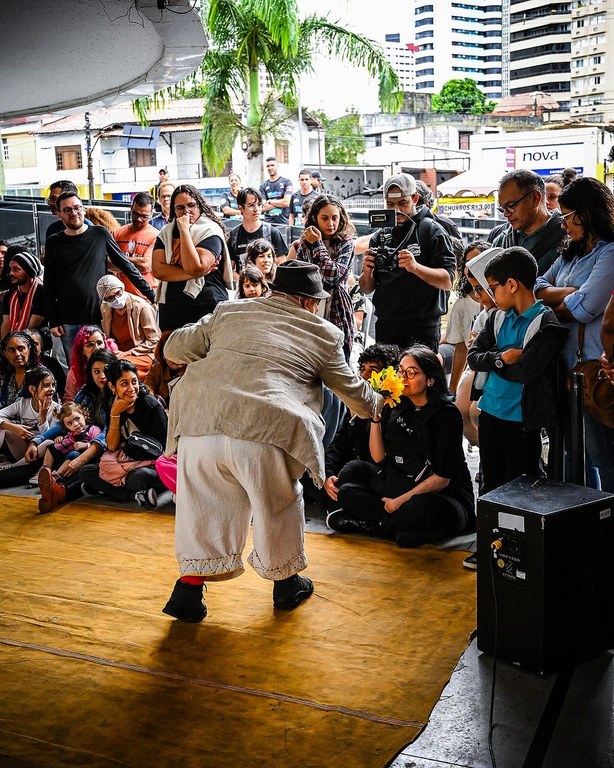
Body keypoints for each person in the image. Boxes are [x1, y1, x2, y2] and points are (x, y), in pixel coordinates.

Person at [160, 261, 383, 623]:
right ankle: (286, 583)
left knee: (202, 507)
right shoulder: (323, 333)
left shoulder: (228, 311)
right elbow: (353, 394)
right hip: (266, 428)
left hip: (202, 423)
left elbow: (175, 347)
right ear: (311, 302)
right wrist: (380, 403)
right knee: (276, 503)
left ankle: (187, 590)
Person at [327, 345, 475, 547]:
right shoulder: (396, 403)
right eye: (401, 371)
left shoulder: (446, 415)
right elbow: (378, 457)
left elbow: (441, 479)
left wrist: (398, 502)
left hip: (438, 494)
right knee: (347, 485)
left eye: (411, 373)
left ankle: (376, 525)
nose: (403, 378)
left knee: (419, 508)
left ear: (430, 380)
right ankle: (396, 526)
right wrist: (376, 418)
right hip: (400, 481)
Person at [468, 246, 567, 495]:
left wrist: (492, 361)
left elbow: (525, 372)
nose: (489, 295)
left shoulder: (547, 323)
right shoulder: (497, 317)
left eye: (492, 288)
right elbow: (473, 358)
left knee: (522, 489)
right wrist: (502, 358)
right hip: (490, 412)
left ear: (511, 284)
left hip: (523, 422)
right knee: (490, 484)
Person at [535, 176, 614, 491]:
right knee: (569, 452)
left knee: (602, 454)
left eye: (566, 215)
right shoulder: (572, 252)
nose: (563, 222)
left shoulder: (609, 252)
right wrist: (573, 292)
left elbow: (586, 308)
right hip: (562, 368)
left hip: (596, 369)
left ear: (586, 213)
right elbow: (537, 287)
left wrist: (560, 301)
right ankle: (581, 518)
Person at [44, 192, 156, 362]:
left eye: (77, 208)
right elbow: (49, 282)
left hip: (99, 317)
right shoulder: (54, 241)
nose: (74, 213)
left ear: (83, 209)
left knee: (103, 366)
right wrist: (53, 319)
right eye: (67, 210)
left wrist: (152, 295)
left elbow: (126, 266)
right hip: (67, 320)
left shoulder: (100, 234)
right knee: (75, 367)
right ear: (59, 214)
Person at [359, 173, 455, 352]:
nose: (396, 210)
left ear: (415, 199)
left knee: (419, 380)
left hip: (422, 328)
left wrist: (415, 267)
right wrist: (367, 271)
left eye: (402, 203)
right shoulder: (380, 235)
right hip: (387, 326)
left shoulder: (432, 231)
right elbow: (366, 288)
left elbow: (448, 281)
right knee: (386, 380)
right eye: (390, 204)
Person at [35, 349, 117, 514]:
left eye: (106, 370)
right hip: (81, 444)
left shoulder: (117, 393)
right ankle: (49, 483)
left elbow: (108, 433)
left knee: (86, 466)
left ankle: (58, 491)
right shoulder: (86, 392)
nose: (101, 375)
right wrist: (37, 440)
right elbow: (64, 422)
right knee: (50, 448)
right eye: (96, 371)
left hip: (106, 447)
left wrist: (83, 457)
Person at [319, 343, 401, 508]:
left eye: (373, 370)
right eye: (362, 369)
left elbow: (382, 460)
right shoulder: (357, 406)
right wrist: (327, 477)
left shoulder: (394, 411)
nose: (364, 375)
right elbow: (337, 445)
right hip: (352, 477)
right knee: (311, 475)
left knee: (352, 472)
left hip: (380, 478)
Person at [79, 359, 168, 508]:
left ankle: (111, 490)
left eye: (134, 382)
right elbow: (112, 446)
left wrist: (127, 446)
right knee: (86, 472)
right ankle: (136, 495)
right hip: (125, 463)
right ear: (112, 386)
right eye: (124, 384)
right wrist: (115, 413)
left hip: (153, 466)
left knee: (138, 477)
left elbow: (163, 450)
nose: (132, 388)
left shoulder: (150, 405)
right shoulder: (111, 405)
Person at [152, 184, 233, 333]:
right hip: (172, 310)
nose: (186, 212)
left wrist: (184, 230)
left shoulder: (210, 230)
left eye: (191, 206)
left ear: (200, 206)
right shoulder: (165, 232)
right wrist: (195, 272)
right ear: (174, 210)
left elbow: (195, 266)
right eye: (180, 208)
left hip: (206, 305)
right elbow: (158, 270)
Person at [296, 194, 356, 359]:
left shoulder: (346, 243)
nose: (331, 223)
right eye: (325, 218)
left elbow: (333, 276)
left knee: (339, 364)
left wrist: (317, 244)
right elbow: (300, 277)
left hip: (337, 310)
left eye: (334, 218)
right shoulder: (304, 244)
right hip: (310, 311)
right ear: (315, 218)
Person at [489, 169, 565, 275]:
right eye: (502, 209)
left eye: (511, 206)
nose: (506, 214)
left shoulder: (567, 235)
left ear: (535, 198)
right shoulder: (501, 241)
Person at [97, 275, 160, 380]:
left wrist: (127, 353)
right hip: (117, 354)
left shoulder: (141, 307)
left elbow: (154, 341)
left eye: (118, 293)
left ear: (122, 288)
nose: (116, 299)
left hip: (141, 354)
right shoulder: (105, 308)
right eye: (110, 298)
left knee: (121, 370)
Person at [442, 241, 484, 397]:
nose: (472, 266)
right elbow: (461, 349)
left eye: (477, 260)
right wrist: (452, 389)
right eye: (467, 263)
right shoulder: (462, 304)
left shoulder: (504, 301)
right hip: (472, 369)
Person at [27, 401, 102, 486]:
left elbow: (98, 444)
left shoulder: (93, 429)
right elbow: (67, 441)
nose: (76, 424)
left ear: (83, 415)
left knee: (73, 453)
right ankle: (45, 471)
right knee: (51, 447)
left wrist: (86, 445)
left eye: (77, 419)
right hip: (67, 458)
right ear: (66, 426)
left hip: (81, 458)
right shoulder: (72, 433)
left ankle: (56, 476)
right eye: (70, 423)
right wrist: (60, 438)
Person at [0, 366, 59, 469]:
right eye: (46, 385)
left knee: (50, 443)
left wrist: (43, 417)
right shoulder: (23, 404)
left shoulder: (57, 410)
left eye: (53, 385)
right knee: (3, 425)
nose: (52, 389)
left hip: (39, 451)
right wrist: (14, 428)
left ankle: (12, 468)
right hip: (22, 449)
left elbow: (50, 436)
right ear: (32, 389)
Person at [228, 187, 288, 275]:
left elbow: (283, 267)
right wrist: (245, 281)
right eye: (251, 205)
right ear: (241, 208)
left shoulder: (272, 232)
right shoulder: (234, 235)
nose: (256, 209)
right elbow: (229, 270)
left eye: (259, 204)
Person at [112, 192, 159, 297]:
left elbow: (145, 265)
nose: (139, 219)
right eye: (135, 214)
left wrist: (118, 260)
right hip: (120, 298)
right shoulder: (117, 233)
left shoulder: (156, 236)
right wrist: (135, 262)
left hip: (146, 298)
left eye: (144, 216)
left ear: (151, 214)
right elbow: (107, 263)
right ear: (131, 208)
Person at [64, 325, 117, 402]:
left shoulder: (115, 364)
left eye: (99, 343)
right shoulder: (74, 373)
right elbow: (69, 400)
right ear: (82, 350)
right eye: (90, 344)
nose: (97, 348)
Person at [0, 250, 45, 338]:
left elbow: (33, 326)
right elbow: (6, 324)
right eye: (11, 269)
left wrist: (15, 343)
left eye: (16, 269)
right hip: (13, 343)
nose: (11, 273)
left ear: (29, 271)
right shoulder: (9, 295)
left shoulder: (42, 292)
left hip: (37, 342)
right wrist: (4, 346)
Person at [144, 331, 186, 408]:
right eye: (171, 352)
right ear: (163, 354)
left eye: (180, 352)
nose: (176, 357)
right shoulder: (156, 369)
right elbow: (147, 389)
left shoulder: (192, 371)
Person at [0, 330, 40, 407]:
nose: (17, 354)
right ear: (5, 354)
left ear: (29, 349)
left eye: (21, 348)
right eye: (11, 350)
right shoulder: (4, 376)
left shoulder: (41, 376)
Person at [24, 328, 66, 400]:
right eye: (28, 344)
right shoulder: (17, 365)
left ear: (41, 347)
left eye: (36, 344)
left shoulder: (52, 363)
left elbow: (63, 389)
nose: (33, 348)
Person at [259, 157, 293, 225]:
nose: (270, 168)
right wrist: (280, 203)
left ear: (277, 166)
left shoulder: (287, 182)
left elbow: (286, 203)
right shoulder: (263, 185)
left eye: (272, 165)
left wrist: (270, 201)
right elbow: (262, 207)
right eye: (268, 166)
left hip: (283, 223)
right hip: (268, 223)